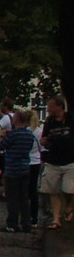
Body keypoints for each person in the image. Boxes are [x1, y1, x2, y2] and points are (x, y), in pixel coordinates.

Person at [0, 111, 38, 233]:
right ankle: (26, 223)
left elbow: (2, 146)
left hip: (12, 168)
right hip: (25, 167)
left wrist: (3, 137)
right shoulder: (29, 135)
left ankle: (12, 223)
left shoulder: (13, 134)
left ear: (16, 120)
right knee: (24, 197)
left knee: (12, 198)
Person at [41, 96, 74, 229]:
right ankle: (56, 219)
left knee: (68, 189)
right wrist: (44, 141)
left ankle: (69, 206)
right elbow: (44, 138)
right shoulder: (49, 122)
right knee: (53, 191)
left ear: (59, 107)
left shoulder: (70, 119)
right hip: (53, 160)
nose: (48, 109)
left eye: (50, 106)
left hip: (70, 160)